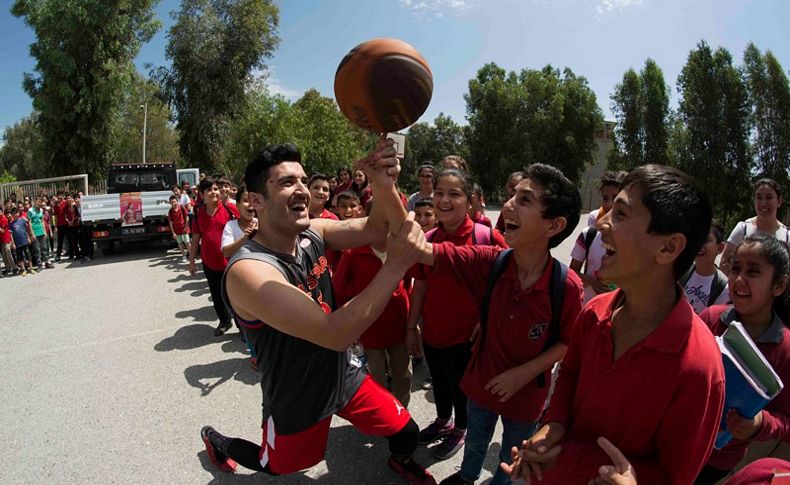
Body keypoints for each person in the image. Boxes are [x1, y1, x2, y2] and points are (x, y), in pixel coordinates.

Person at [200, 140, 436, 484]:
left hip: (343, 373)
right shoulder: (249, 271)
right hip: (297, 392)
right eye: (285, 182)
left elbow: (377, 230)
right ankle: (217, 440)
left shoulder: (312, 230)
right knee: (278, 466)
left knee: (406, 431)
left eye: (302, 180)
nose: (301, 190)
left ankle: (400, 460)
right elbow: (335, 333)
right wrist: (397, 265)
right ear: (255, 201)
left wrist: (383, 183)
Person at [503, 165, 725, 484]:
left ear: (668, 248)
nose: (602, 223)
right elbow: (568, 376)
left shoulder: (699, 368)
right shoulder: (594, 312)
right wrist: (553, 426)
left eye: (620, 214)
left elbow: (677, 475)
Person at [404, 163, 584, 485]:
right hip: (481, 386)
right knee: (474, 442)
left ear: (554, 225)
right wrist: (384, 181)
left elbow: (567, 342)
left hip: (526, 399)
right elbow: (420, 249)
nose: (510, 204)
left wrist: (522, 374)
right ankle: (467, 476)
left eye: (525, 200)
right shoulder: (491, 262)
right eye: (512, 195)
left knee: (509, 459)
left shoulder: (566, 286)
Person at [406, 168, 508, 461]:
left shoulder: (487, 237)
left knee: (462, 387)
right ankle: (442, 420)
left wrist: (485, 321)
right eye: (439, 193)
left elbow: (507, 287)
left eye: (454, 194)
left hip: (468, 337)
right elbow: (421, 285)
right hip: (434, 330)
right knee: (439, 381)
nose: (444, 200)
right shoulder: (428, 238)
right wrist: (411, 326)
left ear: (471, 200)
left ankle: (461, 428)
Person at [695, 234, 790, 484]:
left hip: (717, 463)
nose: (738, 280)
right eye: (735, 268)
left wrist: (761, 423)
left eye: (753, 272)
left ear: (778, 286)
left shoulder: (786, 349)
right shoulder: (710, 319)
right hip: (677, 440)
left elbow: (787, 421)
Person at [333, 200, 412, 408]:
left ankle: (402, 414)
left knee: (403, 375)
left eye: (393, 219)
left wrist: (414, 323)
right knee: (377, 379)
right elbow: (339, 291)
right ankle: (386, 415)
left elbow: (412, 284)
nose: (387, 225)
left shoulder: (405, 248)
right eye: (381, 220)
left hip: (399, 325)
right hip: (369, 329)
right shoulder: (354, 252)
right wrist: (350, 326)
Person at [188, 176, 241, 337]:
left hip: (229, 261)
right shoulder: (199, 214)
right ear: (202, 195)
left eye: (215, 189)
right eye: (209, 190)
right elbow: (196, 239)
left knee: (235, 296)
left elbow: (243, 227)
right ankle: (225, 321)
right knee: (217, 296)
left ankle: (242, 326)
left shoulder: (230, 209)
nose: (214, 192)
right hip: (209, 262)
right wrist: (191, 262)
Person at [570, 171, 627, 303]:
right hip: (587, 305)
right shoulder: (588, 235)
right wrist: (591, 280)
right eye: (605, 198)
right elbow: (572, 272)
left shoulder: (635, 241)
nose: (609, 204)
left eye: (616, 198)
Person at [721, 178, 789, 275]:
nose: (763, 203)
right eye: (759, 197)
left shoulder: (787, 236)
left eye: (769, 198)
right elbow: (724, 263)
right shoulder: (743, 228)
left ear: (779, 201)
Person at [682, 220, 730, 314]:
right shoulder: (682, 268)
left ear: (720, 248)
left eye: (706, 240)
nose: (699, 244)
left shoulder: (723, 288)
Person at [9, 207, 36, 276]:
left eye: (17, 213)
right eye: (14, 214)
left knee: (28, 255)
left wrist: (28, 238)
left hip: (24, 241)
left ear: (19, 213)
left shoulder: (22, 220)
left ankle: (31, 268)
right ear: (12, 214)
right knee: (20, 257)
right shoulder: (11, 224)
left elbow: (26, 230)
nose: (16, 215)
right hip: (17, 243)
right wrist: (13, 243)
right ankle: (24, 270)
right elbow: (11, 235)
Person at [28, 198, 53, 270]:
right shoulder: (30, 210)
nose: (39, 203)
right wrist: (32, 233)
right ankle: (39, 265)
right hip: (35, 232)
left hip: (41, 231)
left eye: (40, 202)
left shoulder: (41, 210)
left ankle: (46, 262)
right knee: (37, 249)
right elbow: (29, 222)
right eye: (38, 202)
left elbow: (42, 221)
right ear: (35, 202)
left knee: (44, 248)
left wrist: (44, 231)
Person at [168, 195, 191, 260]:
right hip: (177, 230)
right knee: (180, 243)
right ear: (170, 203)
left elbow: (187, 217)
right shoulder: (170, 211)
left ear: (177, 201)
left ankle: (191, 255)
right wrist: (173, 233)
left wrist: (186, 227)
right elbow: (171, 222)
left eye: (174, 202)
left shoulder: (181, 207)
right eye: (172, 202)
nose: (173, 203)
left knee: (187, 242)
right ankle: (184, 256)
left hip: (184, 228)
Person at [0, 208, 14, 276]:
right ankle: (7, 268)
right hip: (2, 240)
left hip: (6, 239)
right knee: (4, 256)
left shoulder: (4, 219)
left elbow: (2, 231)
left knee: (8, 253)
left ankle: (14, 268)